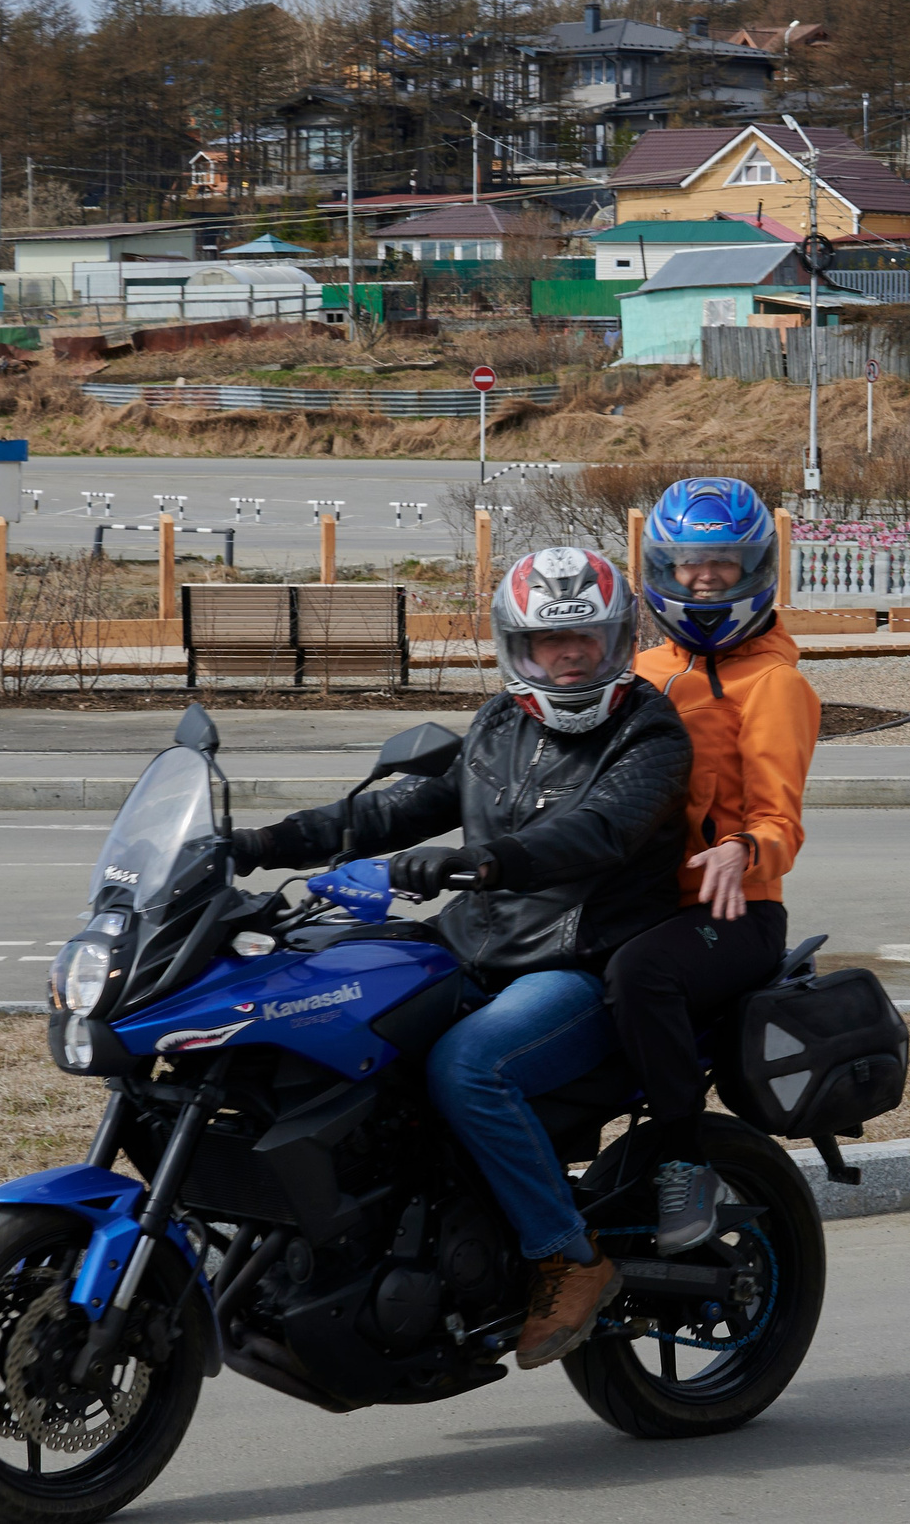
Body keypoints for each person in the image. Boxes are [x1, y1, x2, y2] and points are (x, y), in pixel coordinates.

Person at [227, 547, 691, 1369]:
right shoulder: (498, 723)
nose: (570, 653)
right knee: (316, 1004)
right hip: (470, 946)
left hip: (577, 964)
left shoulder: (649, 730)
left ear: (618, 639)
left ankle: (567, 1257)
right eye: (552, 641)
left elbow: (600, 831)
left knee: (469, 1067)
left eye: (586, 635)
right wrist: (266, 840)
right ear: (521, 648)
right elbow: (401, 810)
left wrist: (482, 861)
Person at [616, 478, 822, 1251]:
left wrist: (746, 848)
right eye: (688, 563)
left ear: (754, 570)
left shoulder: (775, 683)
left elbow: (781, 819)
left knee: (643, 975)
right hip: (645, 899)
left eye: (723, 565)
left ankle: (681, 1162)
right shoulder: (639, 667)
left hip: (735, 913)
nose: (704, 579)